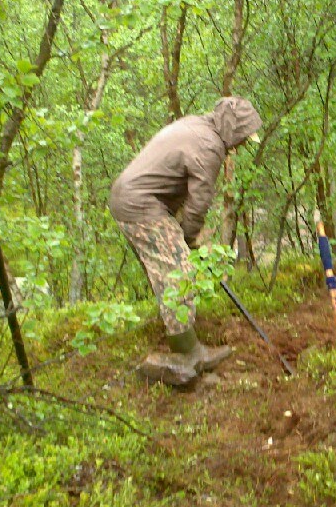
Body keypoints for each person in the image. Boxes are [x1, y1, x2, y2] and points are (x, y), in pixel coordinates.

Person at [108, 96, 263, 385]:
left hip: (134, 199)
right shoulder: (209, 147)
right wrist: (188, 239)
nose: (242, 146)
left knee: (172, 271)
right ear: (232, 130)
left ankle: (188, 346)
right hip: (140, 205)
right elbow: (198, 203)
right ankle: (188, 356)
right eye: (242, 138)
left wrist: (182, 238)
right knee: (177, 274)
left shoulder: (197, 125)